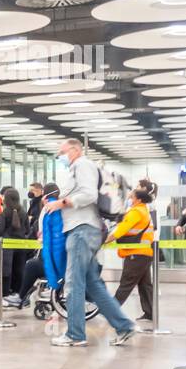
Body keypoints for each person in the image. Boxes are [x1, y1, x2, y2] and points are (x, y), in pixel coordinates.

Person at [42, 138, 138, 347]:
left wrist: (62, 202)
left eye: (63, 152)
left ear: (75, 150)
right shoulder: (79, 168)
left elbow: (88, 194)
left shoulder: (82, 165)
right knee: (93, 285)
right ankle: (124, 326)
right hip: (87, 230)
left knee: (74, 283)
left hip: (81, 231)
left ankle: (75, 334)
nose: (60, 156)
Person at [110, 186, 156, 323]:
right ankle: (150, 313)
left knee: (126, 283)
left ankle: (111, 311)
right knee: (145, 284)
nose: (130, 198)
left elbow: (122, 229)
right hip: (144, 252)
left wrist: (107, 239)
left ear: (138, 199)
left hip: (136, 253)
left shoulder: (136, 212)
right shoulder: (143, 210)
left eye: (132, 196)